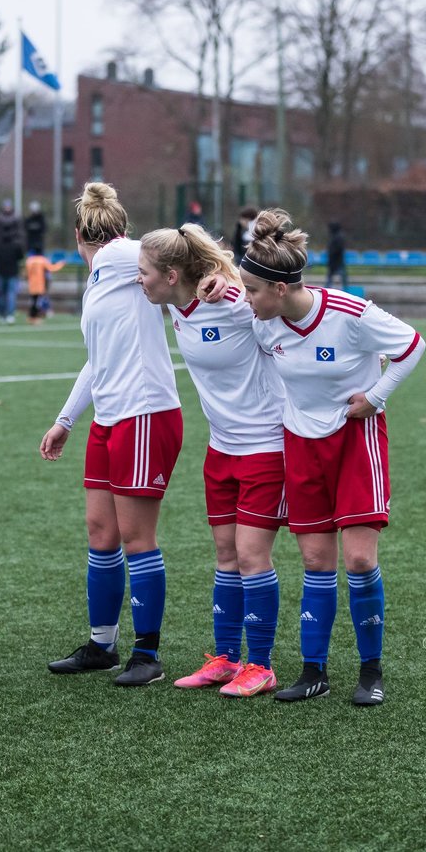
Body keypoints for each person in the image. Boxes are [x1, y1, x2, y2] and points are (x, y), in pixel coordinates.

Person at [220, 208, 426, 706]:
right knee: (315, 560)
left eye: (251, 291)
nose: (246, 300)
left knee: (357, 559)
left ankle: (370, 671)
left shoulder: (349, 314)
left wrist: (375, 398)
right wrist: (214, 286)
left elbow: (413, 345)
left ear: (282, 289)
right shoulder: (263, 321)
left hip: (356, 441)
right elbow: (205, 301)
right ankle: (314, 671)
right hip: (300, 445)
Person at [40, 182, 184, 687]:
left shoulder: (123, 254)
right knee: (101, 534)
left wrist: (214, 277)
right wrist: (66, 419)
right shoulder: (102, 276)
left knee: (136, 538)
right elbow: (97, 361)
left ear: (79, 233)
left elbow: (177, 252)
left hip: (145, 415)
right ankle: (102, 646)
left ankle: (147, 655)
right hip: (109, 419)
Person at [137, 223, 287, 698]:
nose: (136, 280)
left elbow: (285, 302)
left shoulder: (232, 304)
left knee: (251, 555)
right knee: (225, 555)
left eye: (143, 273)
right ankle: (225, 659)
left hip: (266, 445)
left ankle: (260, 665)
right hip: (221, 449)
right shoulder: (177, 306)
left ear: (171, 274)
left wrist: (237, 285)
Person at [0, 200, 24, 324]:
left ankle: (2, 314)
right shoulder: (16, 245)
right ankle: (9, 314)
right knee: (9, 294)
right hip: (11, 271)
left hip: (1, 271)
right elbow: (20, 257)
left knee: (2, 294)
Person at [24, 248, 65, 324]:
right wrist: (60, 264)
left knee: (34, 301)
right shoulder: (42, 260)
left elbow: (26, 273)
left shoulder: (29, 260)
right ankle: (33, 317)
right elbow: (52, 268)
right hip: (39, 284)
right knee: (37, 302)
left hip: (32, 284)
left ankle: (33, 316)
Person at [326, 221, 347, 288]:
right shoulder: (336, 235)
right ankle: (328, 288)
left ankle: (345, 289)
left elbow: (338, 249)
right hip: (334, 260)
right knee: (332, 276)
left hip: (337, 260)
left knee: (340, 275)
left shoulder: (338, 237)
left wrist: (331, 252)